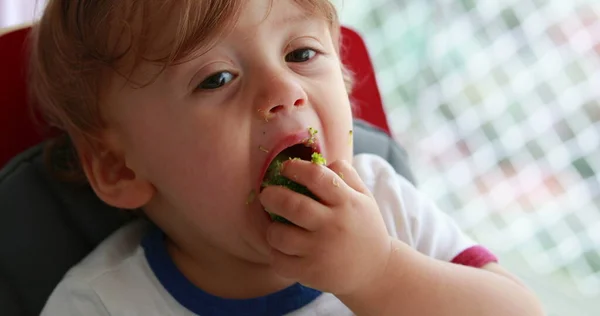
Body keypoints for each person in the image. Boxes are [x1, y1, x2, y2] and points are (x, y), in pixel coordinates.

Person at [33, 0, 543, 315]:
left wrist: (379, 274)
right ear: (119, 167)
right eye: (216, 78)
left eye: (300, 53)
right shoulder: (101, 305)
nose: (284, 90)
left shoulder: (387, 205)